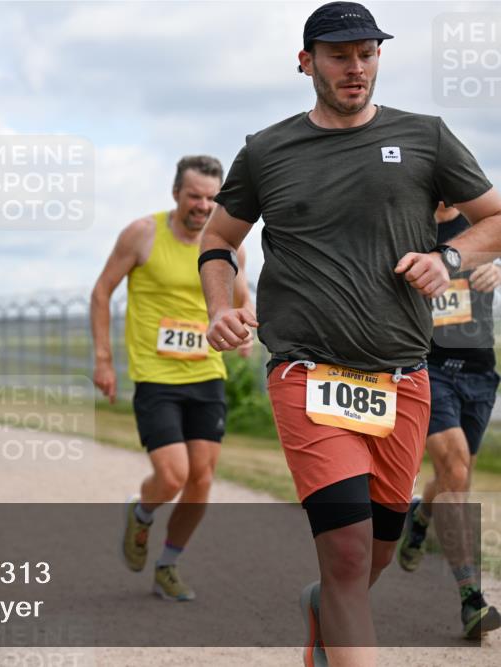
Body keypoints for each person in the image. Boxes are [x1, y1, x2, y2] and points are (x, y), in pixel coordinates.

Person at [198, 3, 501, 665]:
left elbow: (496, 217)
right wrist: (221, 306)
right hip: (308, 374)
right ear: (306, 62)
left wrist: (449, 258)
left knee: (377, 552)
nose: (355, 67)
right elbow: (219, 240)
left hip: (402, 380)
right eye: (339, 55)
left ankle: (324, 611)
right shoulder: (267, 150)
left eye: (366, 53)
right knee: (346, 549)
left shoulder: (427, 137)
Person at [91, 155, 254, 602]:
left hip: (206, 372)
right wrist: (104, 359)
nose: (203, 206)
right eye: (194, 196)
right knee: (173, 475)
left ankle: (167, 564)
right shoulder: (143, 233)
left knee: (202, 479)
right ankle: (142, 513)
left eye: (211, 198)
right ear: (176, 193)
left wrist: (244, 330)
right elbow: (102, 290)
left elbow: (241, 296)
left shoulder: (228, 246)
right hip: (156, 375)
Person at [397, 202, 501, 638]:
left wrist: (497, 269)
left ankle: (420, 515)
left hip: (479, 372)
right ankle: (471, 599)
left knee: (454, 478)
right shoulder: (409, 228)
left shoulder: (480, 226)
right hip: (430, 368)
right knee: (455, 466)